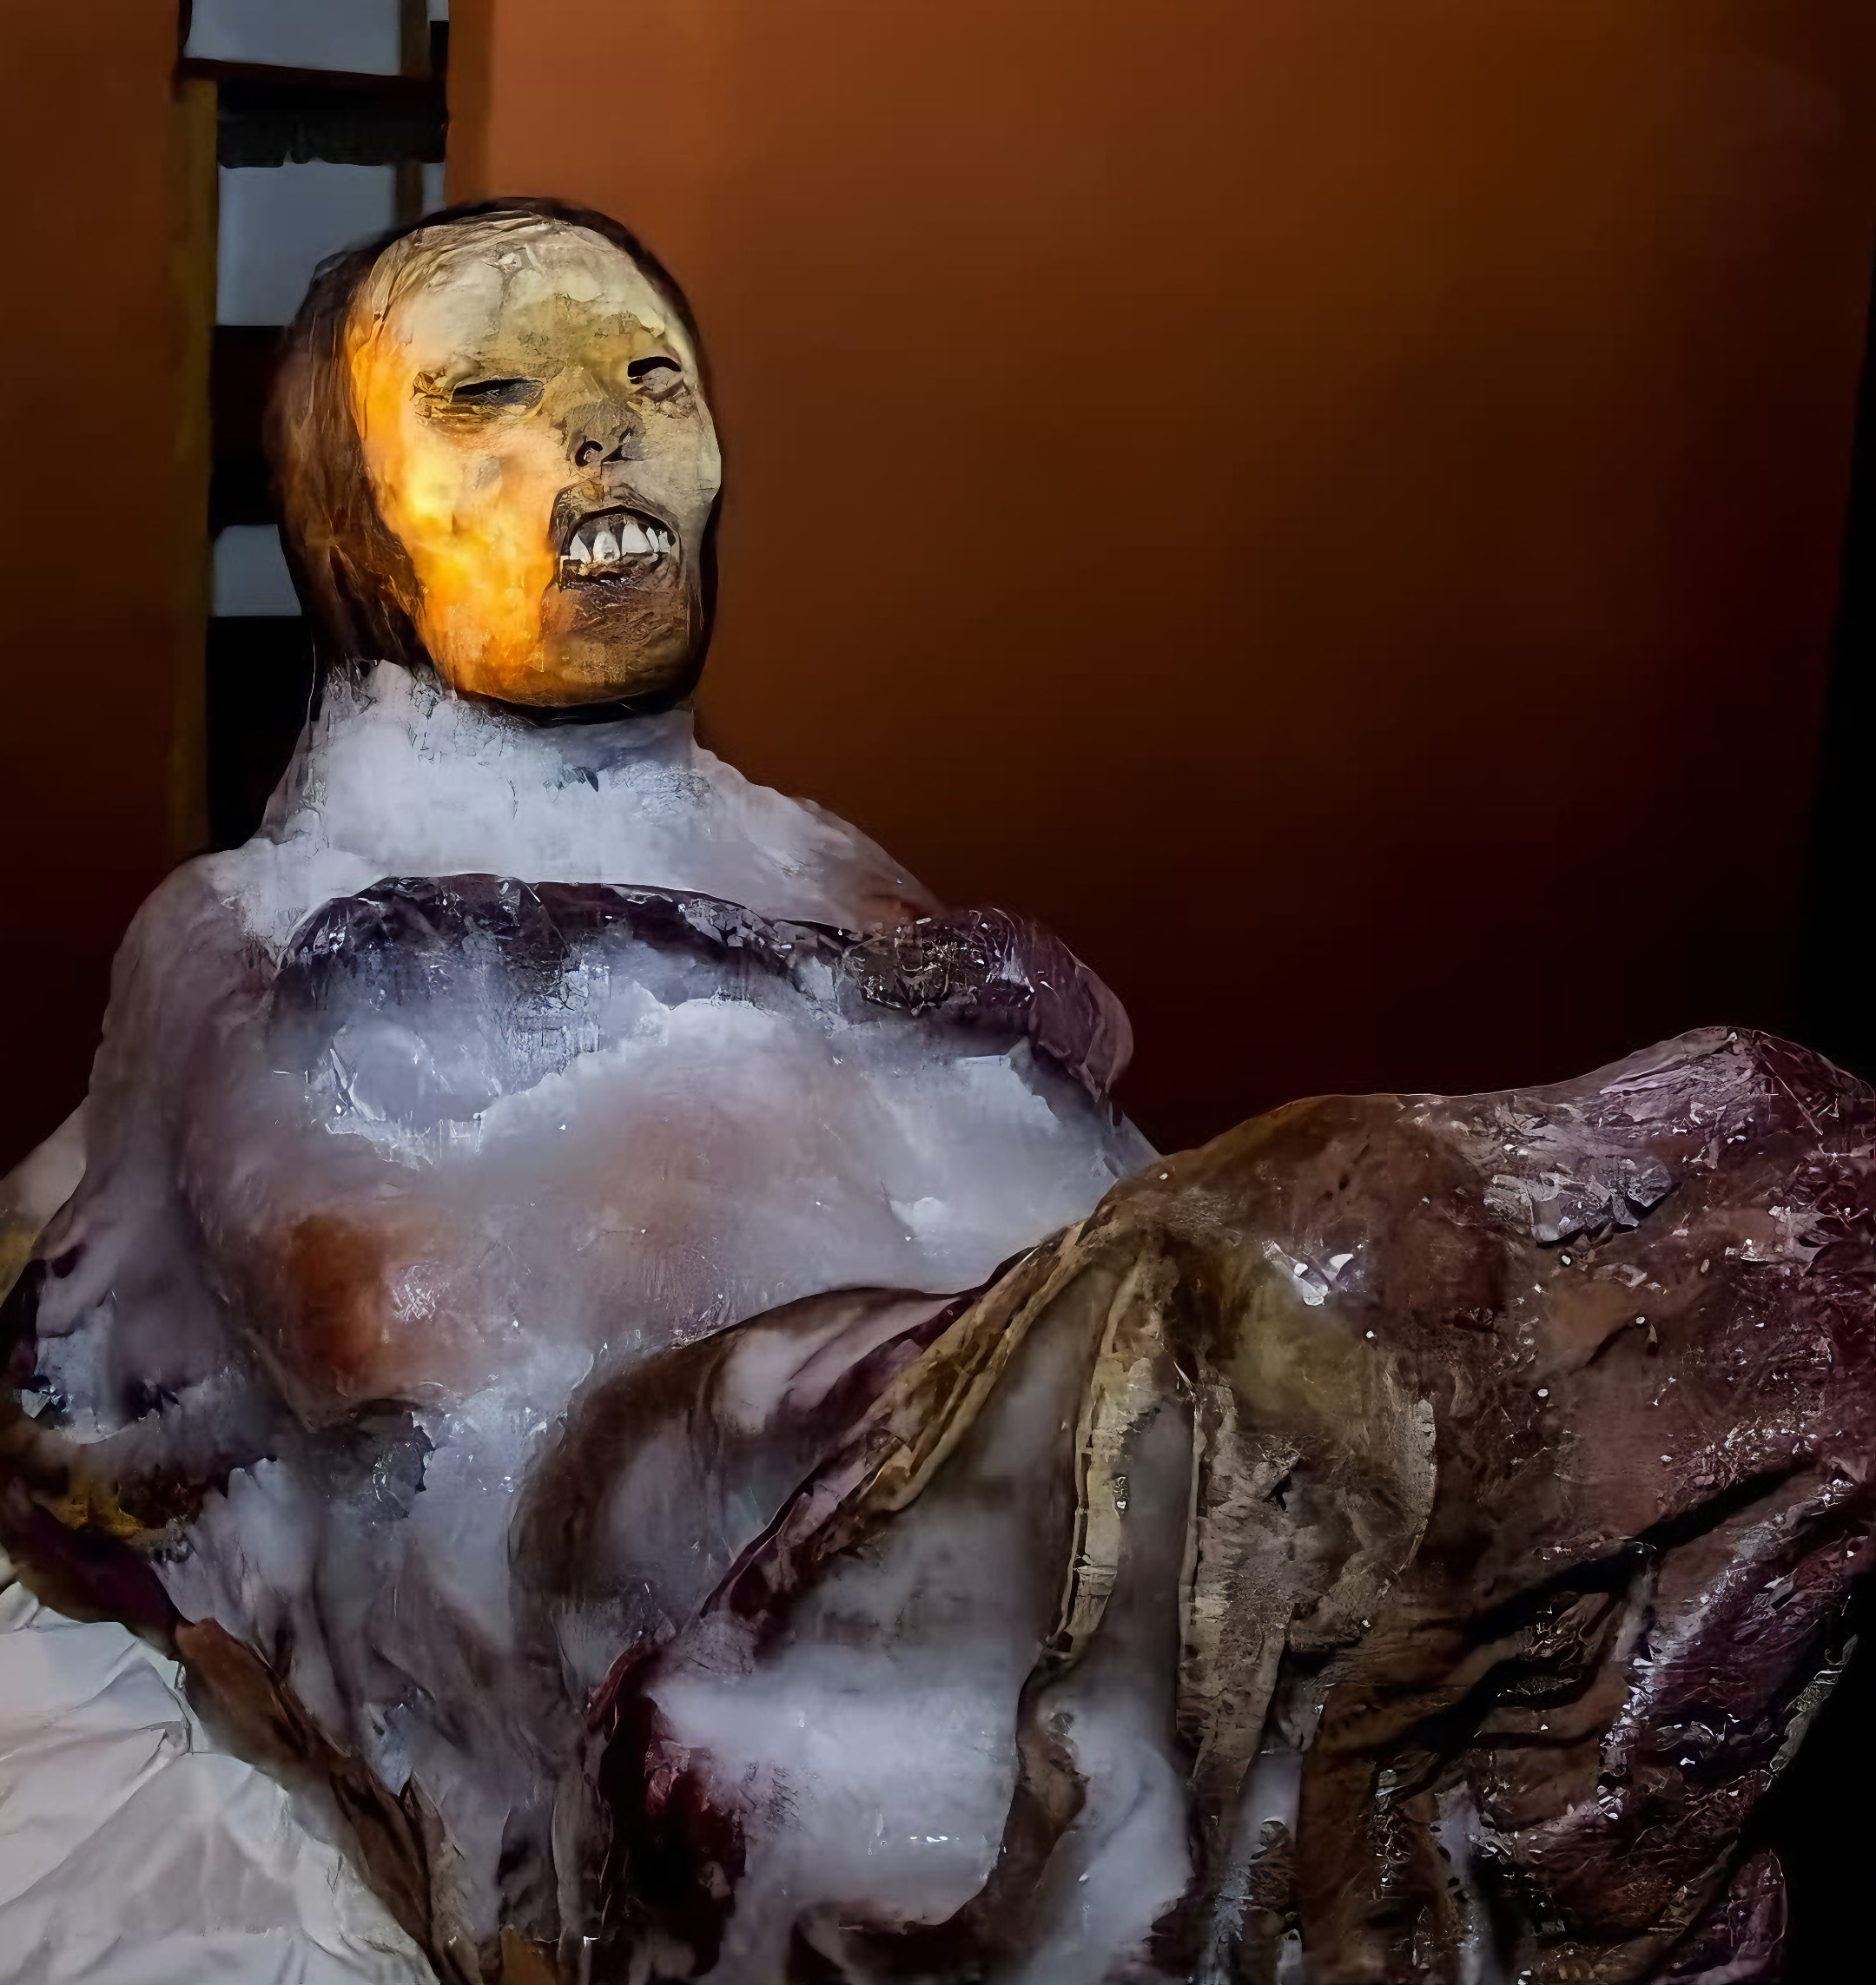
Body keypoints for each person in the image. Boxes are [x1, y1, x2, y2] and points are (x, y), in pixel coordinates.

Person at [3, 201, 1869, 1985]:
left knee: (1726, 1166)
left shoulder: (811, 857)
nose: (596, 431)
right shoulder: (256, 926)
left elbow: (1070, 1128)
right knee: (1341, 1257)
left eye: (649, 378)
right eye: (486, 394)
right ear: (353, 527)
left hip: (965, 1432)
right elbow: (375, 1335)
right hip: (632, 1519)